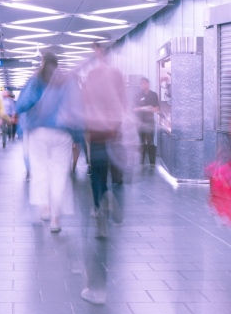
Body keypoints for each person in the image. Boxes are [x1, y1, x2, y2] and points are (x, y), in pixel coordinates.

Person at [16, 52, 83, 232]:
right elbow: (77, 109)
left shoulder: (36, 79)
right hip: (62, 133)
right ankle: (55, 219)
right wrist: (78, 137)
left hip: (38, 132)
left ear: (43, 61)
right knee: (60, 174)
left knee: (40, 171)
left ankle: (45, 208)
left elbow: (21, 105)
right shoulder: (68, 81)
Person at [84, 44, 128, 236]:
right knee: (107, 171)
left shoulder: (93, 76)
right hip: (110, 131)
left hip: (97, 132)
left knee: (98, 173)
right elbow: (123, 102)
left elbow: (84, 102)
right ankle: (105, 203)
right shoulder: (116, 75)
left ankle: (98, 205)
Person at [135, 77, 159, 168]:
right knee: (141, 142)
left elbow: (157, 108)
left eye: (144, 83)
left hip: (150, 123)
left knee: (150, 142)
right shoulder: (137, 95)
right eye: (141, 84)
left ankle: (152, 163)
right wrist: (143, 108)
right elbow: (134, 109)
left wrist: (150, 109)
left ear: (148, 84)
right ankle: (141, 163)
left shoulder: (153, 95)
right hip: (140, 122)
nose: (142, 85)